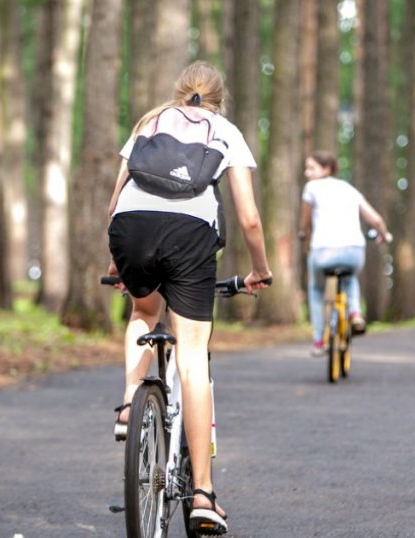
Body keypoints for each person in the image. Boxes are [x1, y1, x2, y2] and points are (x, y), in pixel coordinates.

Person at [105, 61, 272, 534]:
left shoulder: (148, 123)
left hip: (131, 229)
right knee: (192, 358)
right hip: (191, 237)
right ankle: (202, 494)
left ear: (177, 91)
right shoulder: (225, 130)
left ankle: (128, 401)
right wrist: (260, 270)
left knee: (142, 310)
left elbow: (115, 201)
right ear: (219, 97)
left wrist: (118, 261)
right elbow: (251, 218)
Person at [298, 150, 392, 356]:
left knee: (316, 290)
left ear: (327, 169)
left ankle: (318, 341)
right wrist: (383, 235)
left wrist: (304, 234)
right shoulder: (349, 189)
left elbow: (305, 222)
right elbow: (375, 220)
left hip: (322, 251)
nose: (307, 173)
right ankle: (355, 313)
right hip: (353, 250)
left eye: (311, 168)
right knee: (349, 278)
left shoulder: (311, 187)